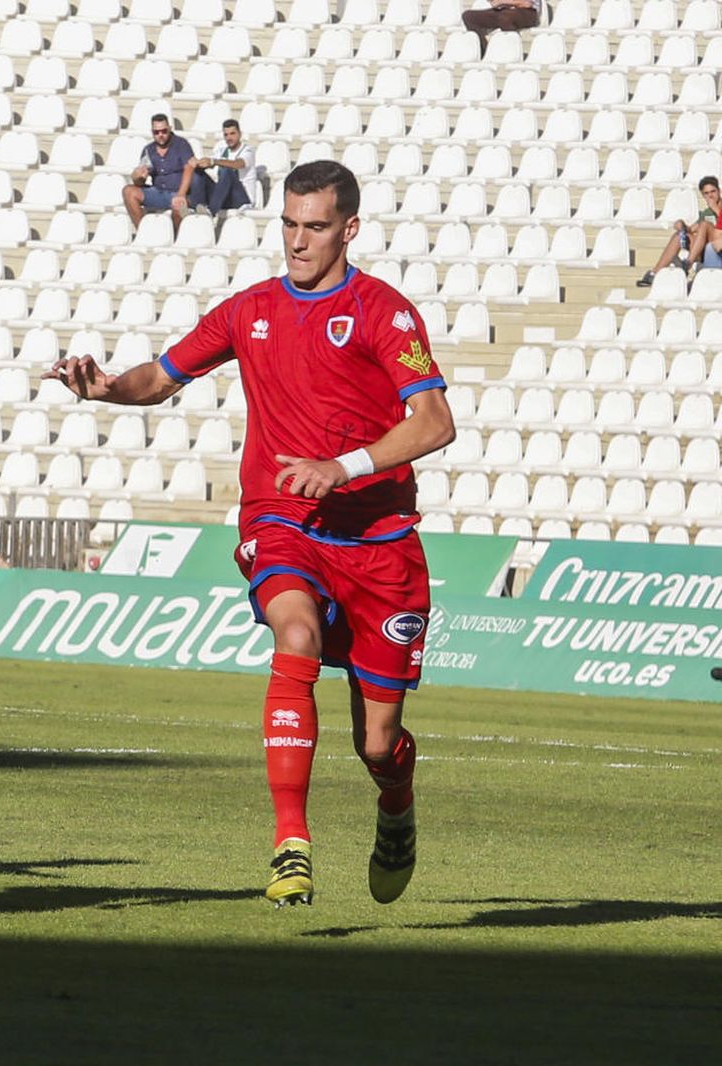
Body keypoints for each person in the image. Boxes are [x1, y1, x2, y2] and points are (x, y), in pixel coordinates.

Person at [44, 160, 456, 909]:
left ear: (349, 229)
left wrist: (344, 465)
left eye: (316, 227)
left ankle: (396, 804)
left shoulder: (383, 313)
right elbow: (164, 375)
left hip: (380, 541)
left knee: (377, 744)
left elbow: (435, 422)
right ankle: (290, 843)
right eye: (290, 225)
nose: (298, 242)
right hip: (283, 520)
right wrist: (107, 389)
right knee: (292, 635)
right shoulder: (250, 309)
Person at [637, 176, 722, 287]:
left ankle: (687, 263)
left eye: (713, 191)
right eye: (706, 193)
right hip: (705, 250)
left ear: (719, 191)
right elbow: (693, 229)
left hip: (718, 250)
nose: (710, 195)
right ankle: (654, 273)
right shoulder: (707, 212)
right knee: (679, 236)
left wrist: (716, 209)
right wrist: (682, 225)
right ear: (703, 195)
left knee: (705, 225)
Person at [123, 113, 196, 232]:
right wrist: (138, 177)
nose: (160, 135)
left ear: (170, 129)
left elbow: (189, 168)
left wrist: (181, 194)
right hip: (158, 192)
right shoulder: (149, 150)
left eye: (164, 131)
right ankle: (143, 232)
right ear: (152, 132)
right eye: (156, 132)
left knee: (180, 207)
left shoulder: (181, 144)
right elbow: (140, 181)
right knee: (128, 191)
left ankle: (177, 237)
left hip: (180, 193)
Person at [188, 119, 257, 215]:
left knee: (226, 171)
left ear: (240, 134)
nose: (229, 137)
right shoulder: (221, 151)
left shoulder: (248, 151)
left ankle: (211, 211)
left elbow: (238, 164)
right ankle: (197, 208)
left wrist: (214, 162)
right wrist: (197, 163)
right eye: (226, 135)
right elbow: (209, 162)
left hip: (242, 199)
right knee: (198, 173)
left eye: (232, 134)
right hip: (224, 198)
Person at [460, 0, 540, 53]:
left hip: (528, 12)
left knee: (505, 17)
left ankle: (512, 50)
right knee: (469, 16)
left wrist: (502, 1)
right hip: (503, 10)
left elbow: (526, 3)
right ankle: (484, 50)